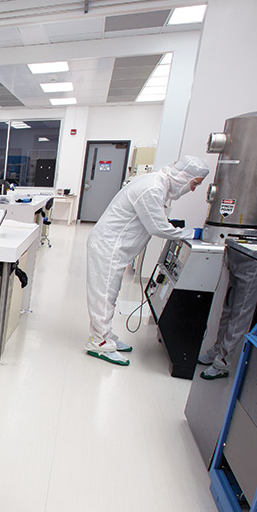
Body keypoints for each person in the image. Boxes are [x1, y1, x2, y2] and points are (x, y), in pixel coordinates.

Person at [85, 155, 210, 365]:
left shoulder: (156, 185)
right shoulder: (152, 188)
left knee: (110, 292)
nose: (193, 189)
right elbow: (158, 227)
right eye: (194, 184)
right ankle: (99, 342)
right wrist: (192, 233)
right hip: (108, 246)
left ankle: (105, 333)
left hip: (114, 247)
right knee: (104, 294)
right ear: (183, 176)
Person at [197, 250, 257, 379]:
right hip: (237, 253)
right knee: (228, 309)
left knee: (240, 313)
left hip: (254, 260)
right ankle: (217, 350)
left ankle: (222, 363)